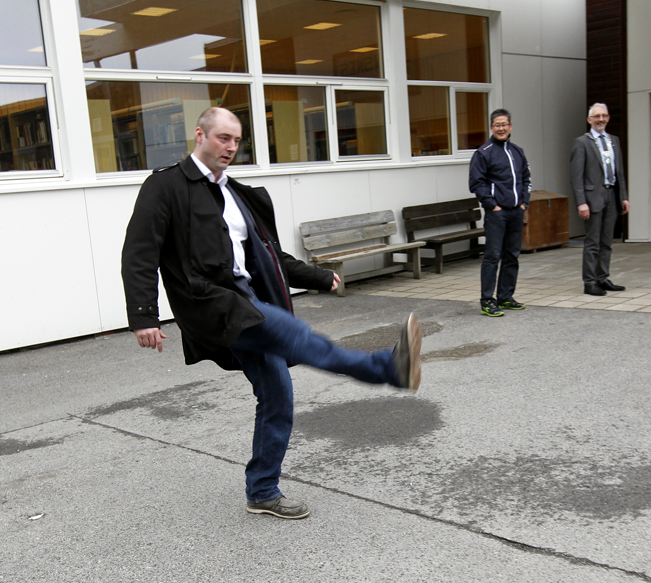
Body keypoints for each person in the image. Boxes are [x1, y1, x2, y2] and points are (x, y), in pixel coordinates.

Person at [121, 107, 421, 520]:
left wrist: (320, 277)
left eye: (236, 140)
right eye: (222, 138)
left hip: (246, 296)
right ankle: (389, 367)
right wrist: (144, 316)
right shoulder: (167, 186)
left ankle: (262, 491)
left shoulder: (236, 194)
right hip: (213, 303)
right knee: (298, 336)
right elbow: (140, 250)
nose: (230, 147)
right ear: (199, 135)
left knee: (278, 395)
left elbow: (271, 256)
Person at [468, 108, 531, 317]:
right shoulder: (483, 153)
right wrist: (492, 205)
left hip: (516, 212)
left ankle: (505, 297)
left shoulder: (518, 152)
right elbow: (477, 184)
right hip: (497, 214)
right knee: (492, 257)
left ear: (510, 126)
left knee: (512, 256)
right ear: (491, 127)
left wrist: (524, 203)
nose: (501, 128)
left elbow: (525, 180)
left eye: (505, 124)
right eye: (497, 125)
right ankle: (487, 301)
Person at [570, 103, 629, 296]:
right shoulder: (582, 142)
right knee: (592, 242)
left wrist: (624, 197)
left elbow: (619, 171)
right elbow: (576, 176)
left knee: (607, 241)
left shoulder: (614, 140)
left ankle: (602, 278)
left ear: (608, 118)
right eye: (597, 116)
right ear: (589, 120)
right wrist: (581, 202)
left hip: (611, 195)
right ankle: (589, 282)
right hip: (592, 197)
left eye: (604, 115)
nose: (601, 119)